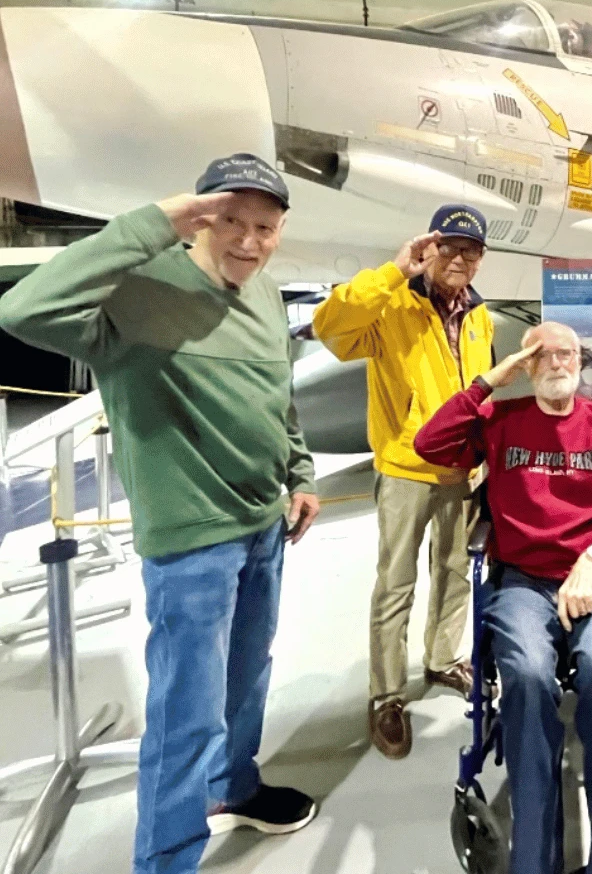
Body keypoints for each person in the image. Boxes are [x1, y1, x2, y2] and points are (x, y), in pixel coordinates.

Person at [0, 153, 321, 874]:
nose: (248, 240)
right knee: (186, 715)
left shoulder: (266, 294)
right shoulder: (140, 291)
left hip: (263, 524)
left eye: (263, 227)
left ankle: (232, 786)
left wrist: (298, 472)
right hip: (191, 545)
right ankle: (167, 860)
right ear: (197, 219)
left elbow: (279, 394)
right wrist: (151, 224)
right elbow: (19, 311)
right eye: (230, 221)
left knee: (248, 675)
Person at [414, 321, 592, 874]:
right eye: (544, 355)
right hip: (523, 581)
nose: (558, 363)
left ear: (581, 362)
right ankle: (534, 860)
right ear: (527, 365)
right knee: (527, 678)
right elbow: (429, 444)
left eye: (568, 354)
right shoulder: (502, 421)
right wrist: (486, 382)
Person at [312, 204, 496, 759]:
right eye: (449, 247)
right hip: (405, 468)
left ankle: (442, 660)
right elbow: (329, 326)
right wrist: (394, 272)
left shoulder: (481, 316)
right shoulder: (391, 305)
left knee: (456, 570)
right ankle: (386, 696)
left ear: (480, 259)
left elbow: (478, 389)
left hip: (463, 469)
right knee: (396, 582)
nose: (459, 258)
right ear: (429, 250)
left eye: (471, 250)